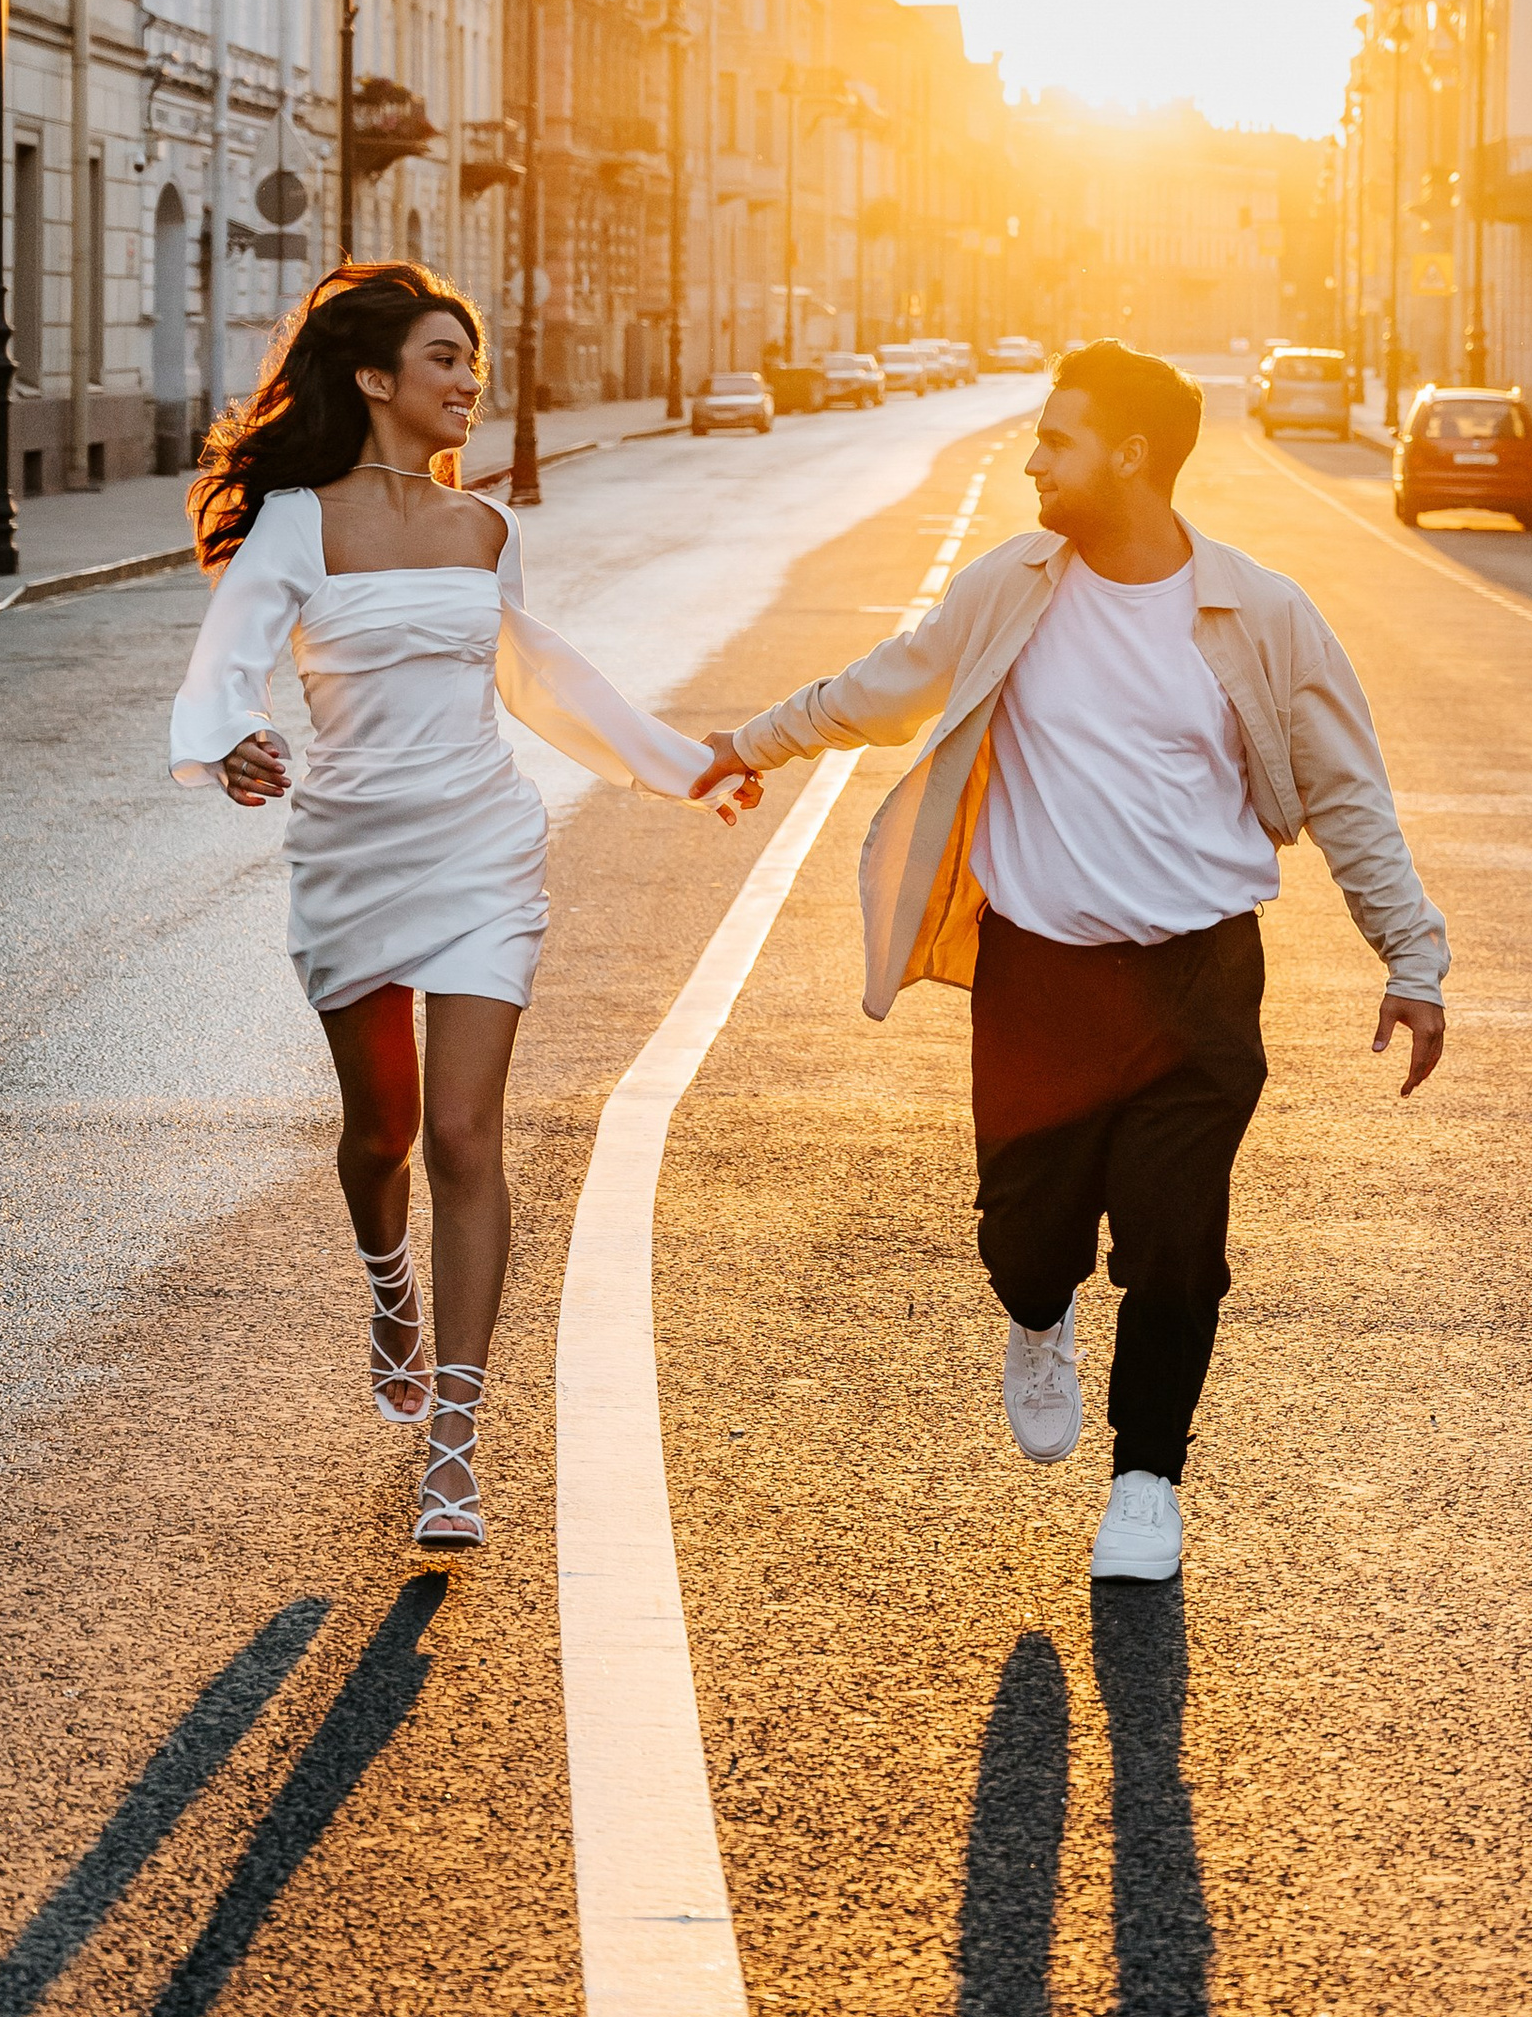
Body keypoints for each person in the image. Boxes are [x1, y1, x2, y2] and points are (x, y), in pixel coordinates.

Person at [698, 338, 1446, 1583]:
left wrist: (1410, 956)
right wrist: (750, 743)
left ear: (1132, 455)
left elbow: (1347, 793)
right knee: (1025, 1240)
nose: (1034, 460)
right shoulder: (1013, 587)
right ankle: (1038, 1317)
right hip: (1038, 979)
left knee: (1176, 1243)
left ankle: (1146, 1477)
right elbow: (885, 688)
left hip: (1198, 981)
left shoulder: (1262, 613)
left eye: (1058, 440)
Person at [170, 259, 739, 1549]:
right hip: (352, 851)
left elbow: (541, 675)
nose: (468, 380)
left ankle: (456, 1445)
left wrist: (683, 766)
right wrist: (230, 743)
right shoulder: (295, 523)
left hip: (482, 845)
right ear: (374, 376)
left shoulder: (486, 528)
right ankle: (391, 1293)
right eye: (444, 357)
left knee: (464, 1132)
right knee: (380, 1131)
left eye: (471, 360)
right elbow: (227, 665)